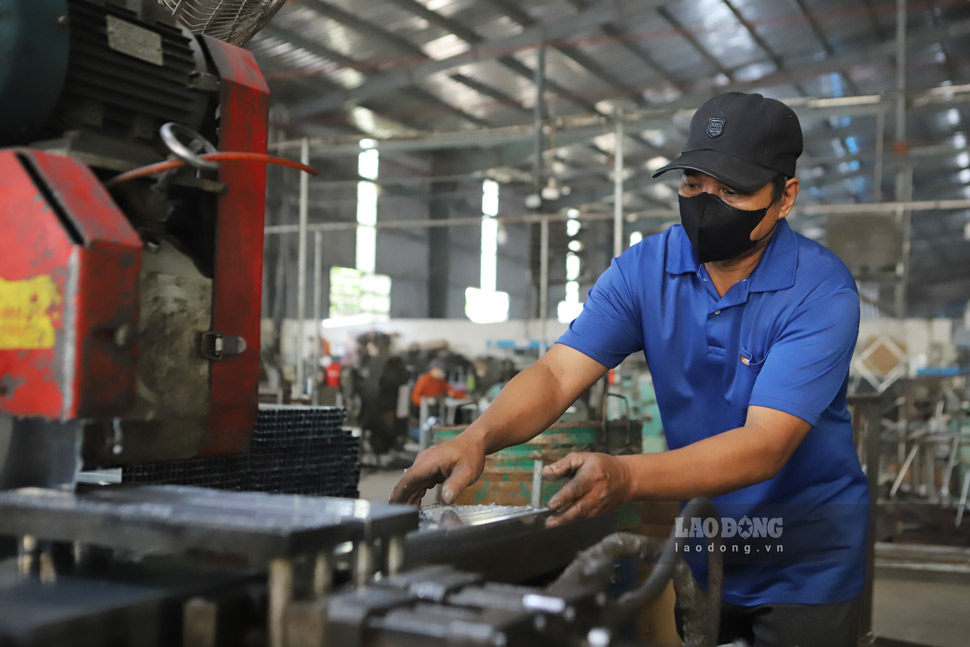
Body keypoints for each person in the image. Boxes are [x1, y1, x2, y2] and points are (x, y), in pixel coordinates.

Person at [391, 92, 868, 647]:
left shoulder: (819, 290)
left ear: (785, 197)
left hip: (805, 557)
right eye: (693, 184)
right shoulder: (646, 270)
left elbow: (765, 445)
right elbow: (556, 375)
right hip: (706, 546)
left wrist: (628, 476)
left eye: (732, 190)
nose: (707, 202)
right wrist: (478, 437)